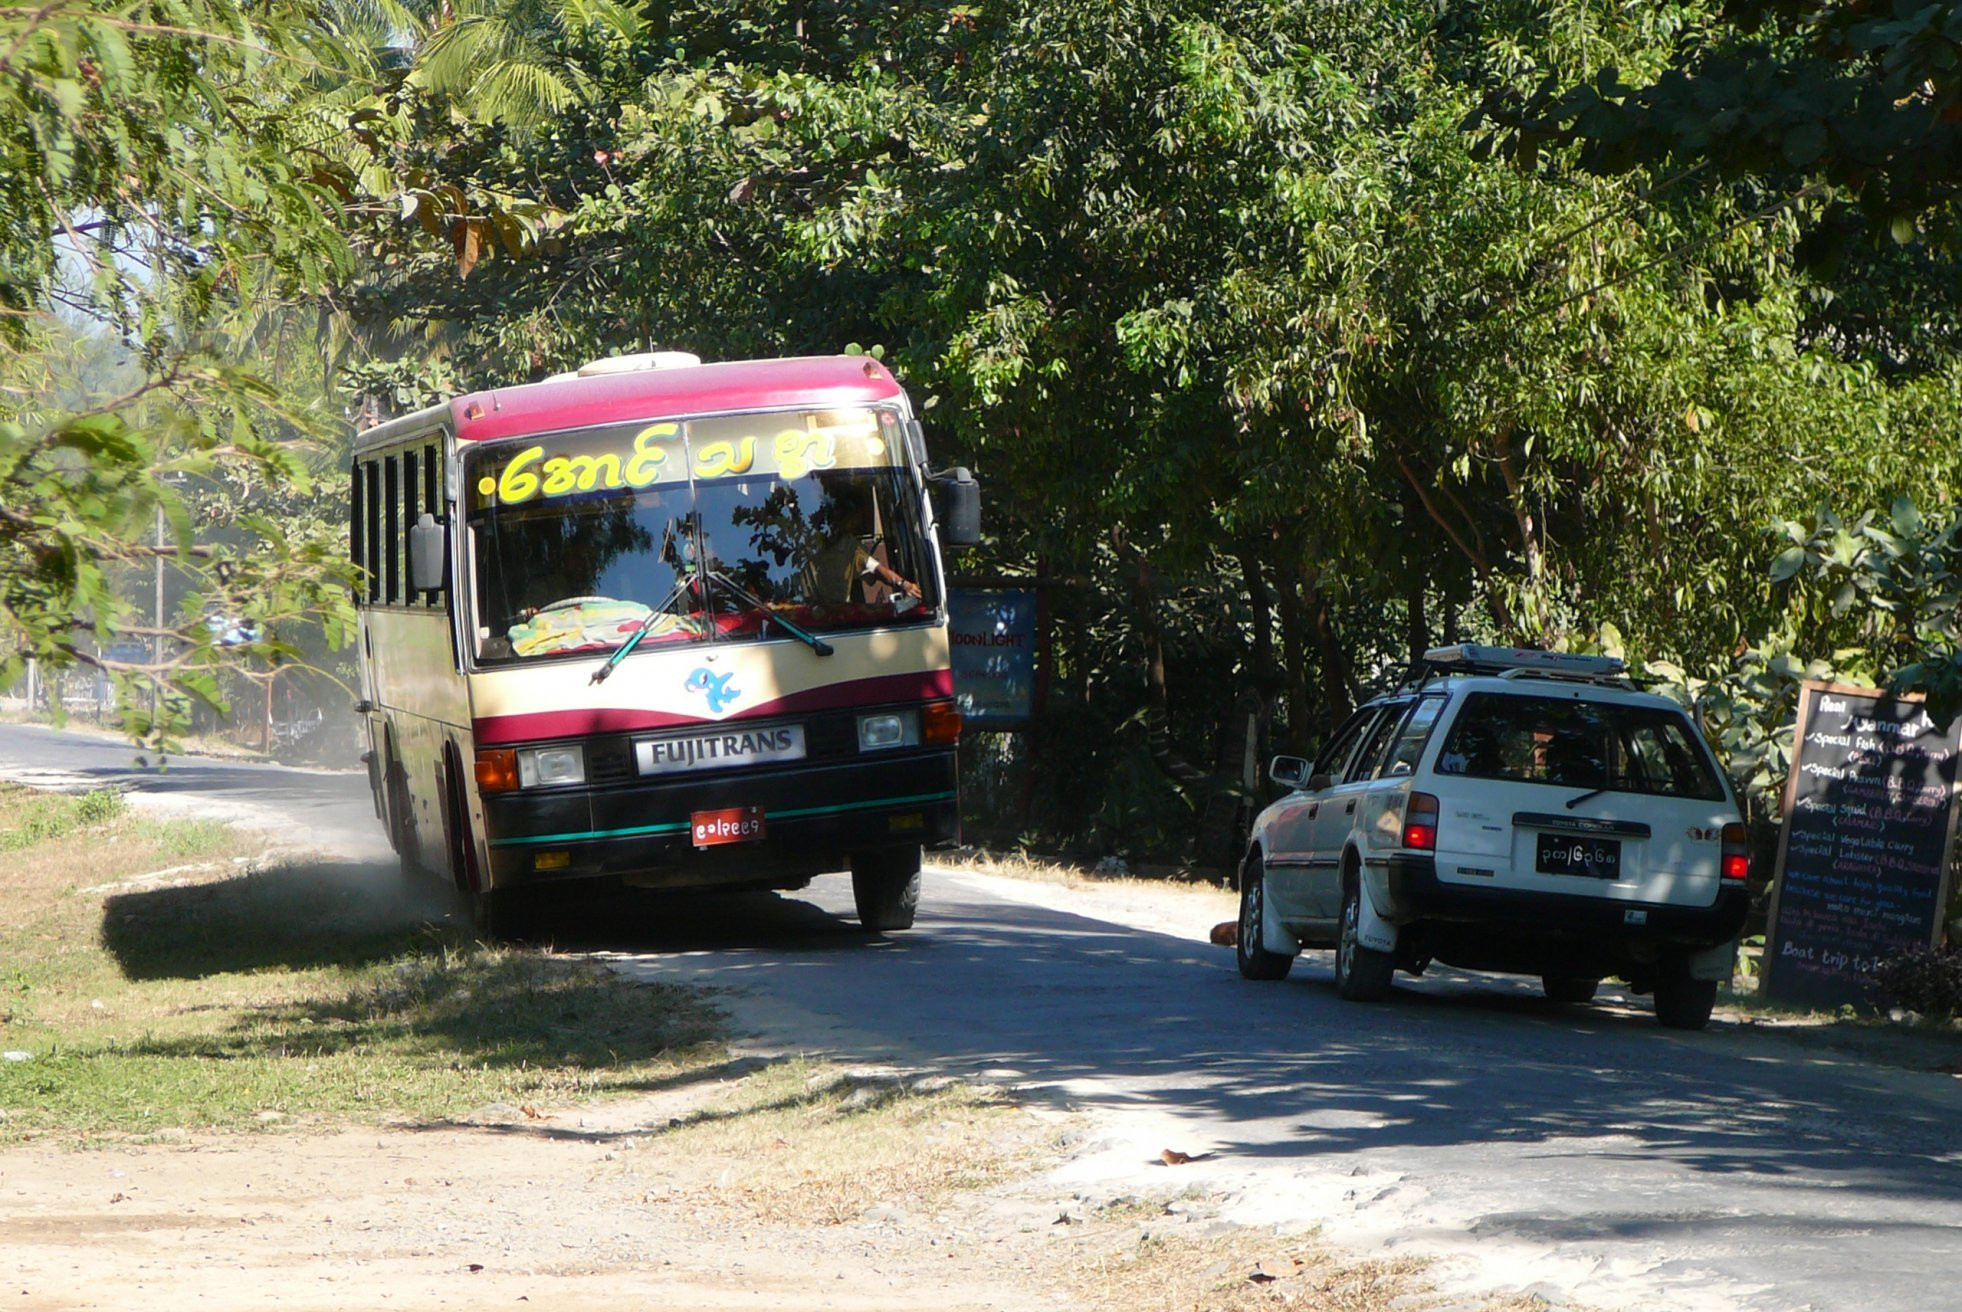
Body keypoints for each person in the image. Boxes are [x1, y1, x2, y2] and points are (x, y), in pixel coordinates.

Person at [800, 488, 919, 605]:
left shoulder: (850, 546)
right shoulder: (805, 540)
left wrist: (904, 585)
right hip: (801, 616)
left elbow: (876, 569)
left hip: (837, 615)